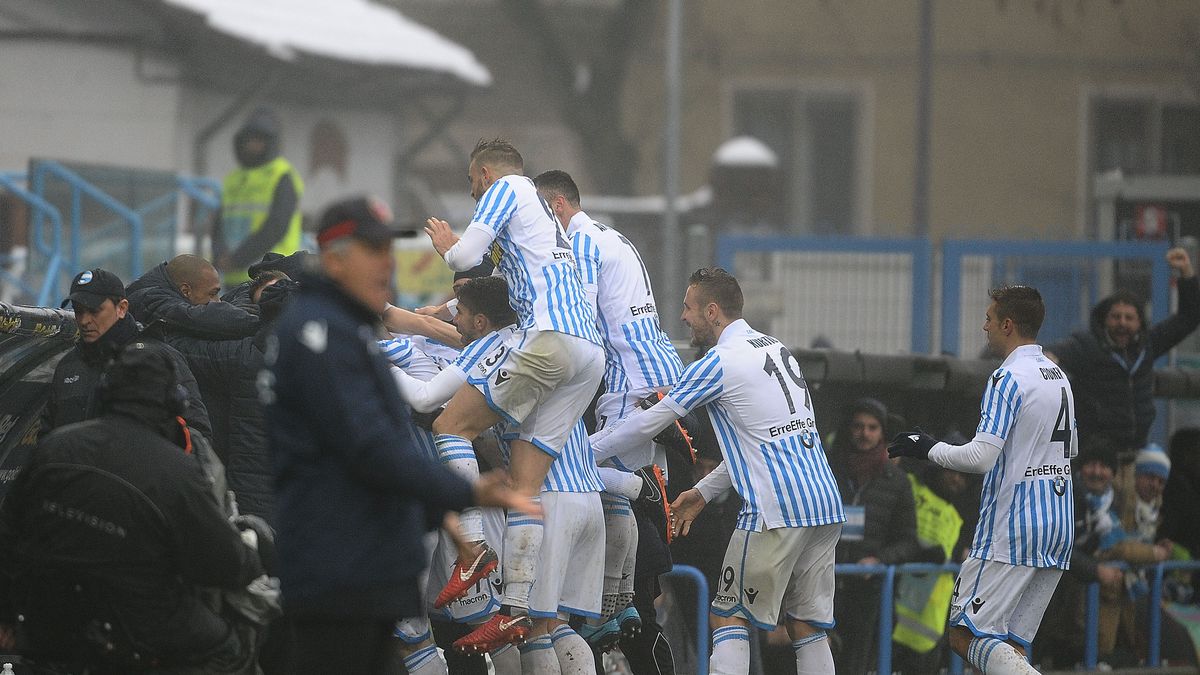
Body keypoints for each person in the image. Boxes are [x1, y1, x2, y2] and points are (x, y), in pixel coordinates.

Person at [261, 195, 533, 672]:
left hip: (370, 563)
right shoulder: (316, 332)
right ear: (334, 258)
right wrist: (463, 491)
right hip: (337, 565)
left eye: (389, 250)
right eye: (373, 250)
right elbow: (369, 448)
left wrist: (443, 513)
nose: (387, 264)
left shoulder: (347, 327)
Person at [591, 267, 846, 675]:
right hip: (824, 505)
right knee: (806, 626)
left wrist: (583, 453)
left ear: (712, 312)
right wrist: (703, 492)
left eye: (688, 308)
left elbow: (650, 422)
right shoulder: (776, 349)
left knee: (729, 617)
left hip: (773, 510)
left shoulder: (718, 363)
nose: (682, 318)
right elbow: (766, 444)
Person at [421, 139, 606, 650]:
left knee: (448, 426)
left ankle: (474, 548)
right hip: (588, 353)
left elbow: (466, 256)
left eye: (470, 182)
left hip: (549, 339)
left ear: (483, 173)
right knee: (525, 486)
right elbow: (506, 277)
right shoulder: (543, 214)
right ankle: (516, 609)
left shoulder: (507, 186)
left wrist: (445, 245)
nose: (473, 191)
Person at [0, 343, 265, 672]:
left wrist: (8, 616)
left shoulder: (54, 448)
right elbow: (222, 565)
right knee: (231, 645)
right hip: (140, 633)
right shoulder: (177, 471)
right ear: (174, 403)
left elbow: (9, 535)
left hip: (49, 626)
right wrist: (253, 551)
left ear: (104, 392)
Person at [534, 169, 684, 672]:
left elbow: (578, 313)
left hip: (631, 382)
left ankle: (614, 603)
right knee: (614, 488)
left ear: (554, 207)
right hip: (655, 376)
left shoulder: (578, 243)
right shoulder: (612, 236)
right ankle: (621, 605)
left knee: (595, 475)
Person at [889, 285, 1077, 675]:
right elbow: (1069, 450)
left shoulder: (1007, 378)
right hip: (1058, 524)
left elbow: (979, 456)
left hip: (1012, 529)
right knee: (1009, 644)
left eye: (989, 319)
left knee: (965, 636)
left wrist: (925, 447)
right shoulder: (1058, 377)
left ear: (1007, 325)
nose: (984, 326)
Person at [1046, 248, 1199, 485]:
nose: (1122, 323)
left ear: (1140, 323)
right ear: (1104, 320)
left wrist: (1187, 274)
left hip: (1136, 456)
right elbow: (1051, 354)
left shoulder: (1147, 346)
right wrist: (1049, 359)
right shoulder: (1087, 346)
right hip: (1096, 461)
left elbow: (1189, 318)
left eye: (1129, 318)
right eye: (1115, 317)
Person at [39, 268, 211, 442]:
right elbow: (47, 436)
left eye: (94, 311)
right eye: (78, 311)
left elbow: (197, 433)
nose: (84, 320)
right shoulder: (68, 366)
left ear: (121, 308)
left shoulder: (160, 360)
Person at [826, 397, 920, 674]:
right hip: (825, 581)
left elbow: (909, 540)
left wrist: (878, 559)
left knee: (858, 661)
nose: (864, 433)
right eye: (858, 426)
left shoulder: (896, 480)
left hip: (869, 591)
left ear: (881, 433)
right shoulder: (830, 471)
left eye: (872, 427)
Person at [213, 107, 304, 286]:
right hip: (234, 277)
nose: (252, 145)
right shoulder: (233, 179)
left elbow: (275, 226)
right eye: (249, 140)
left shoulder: (282, 175)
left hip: (273, 276)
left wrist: (237, 259)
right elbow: (219, 225)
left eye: (260, 140)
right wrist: (219, 256)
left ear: (270, 143)